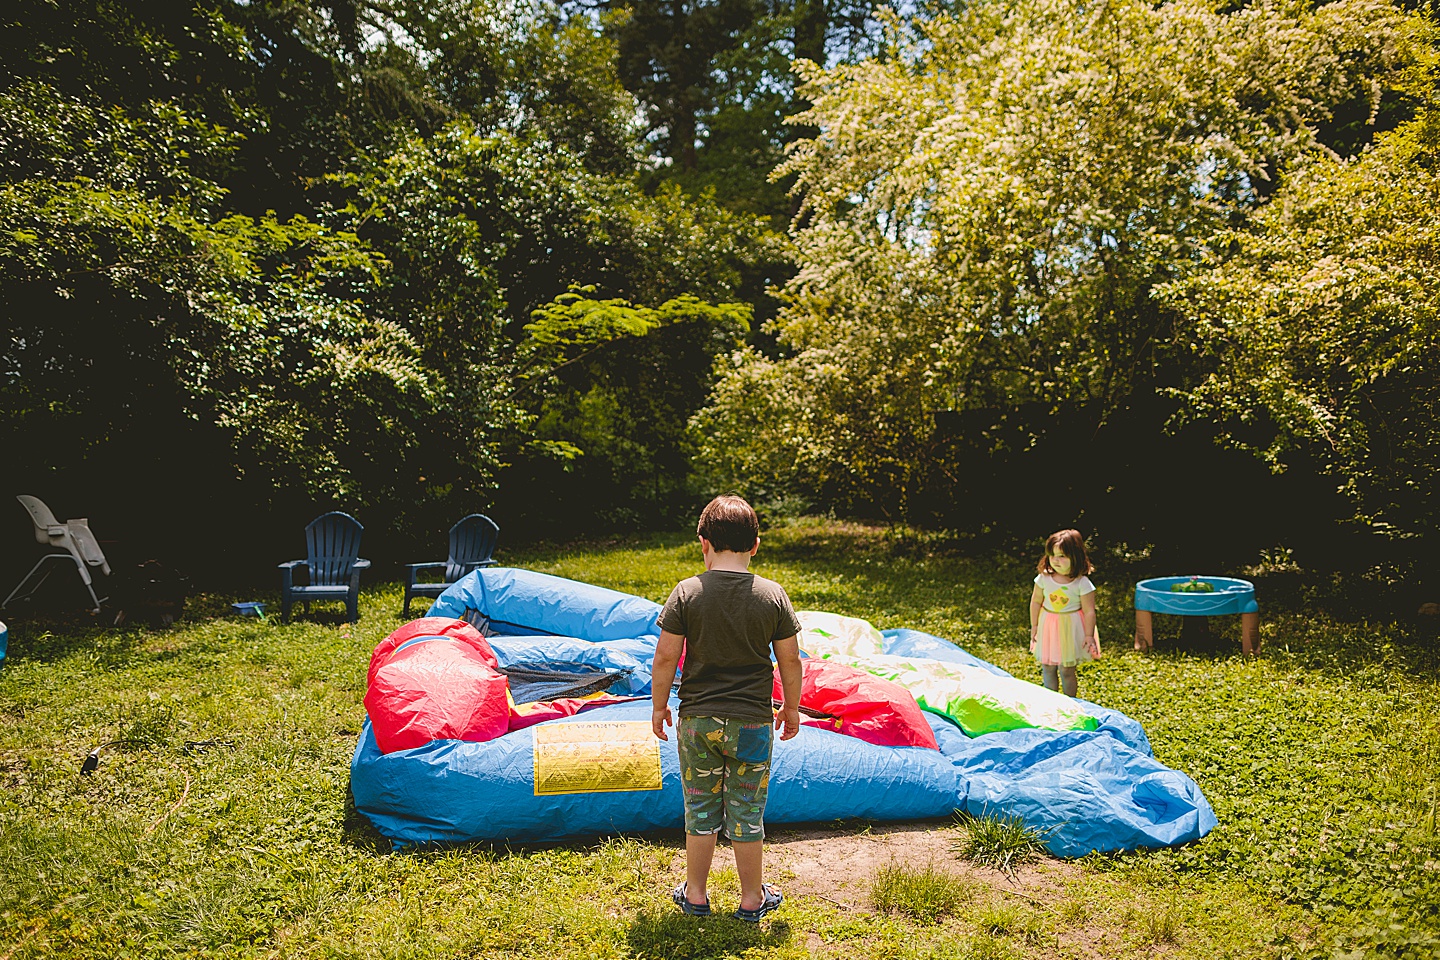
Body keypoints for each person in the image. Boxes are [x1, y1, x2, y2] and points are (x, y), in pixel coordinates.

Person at [651, 494, 804, 923]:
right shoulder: (772, 596)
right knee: (747, 811)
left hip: (698, 721)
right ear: (756, 544)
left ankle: (696, 894)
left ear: (703, 542)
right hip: (753, 722)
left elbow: (665, 658)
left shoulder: (687, 593)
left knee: (699, 807)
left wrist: (659, 706)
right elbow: (790, 660)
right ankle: (751, 899)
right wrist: (792, 709)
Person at [1029, 529, 1101, 697]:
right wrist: (1034, 626)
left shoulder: (1082, 583)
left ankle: (1071, 702)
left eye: (1062, 556)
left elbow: (1089, 611)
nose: (1055, 560)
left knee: (1067, 669)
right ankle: (1052, 700)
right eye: (1052, 555)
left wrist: (1089, 635)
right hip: (1048, 626)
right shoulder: (1044, 578)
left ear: (1075, 557)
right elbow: (1036, 601)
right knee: (1047, 666)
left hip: (1071, 627)